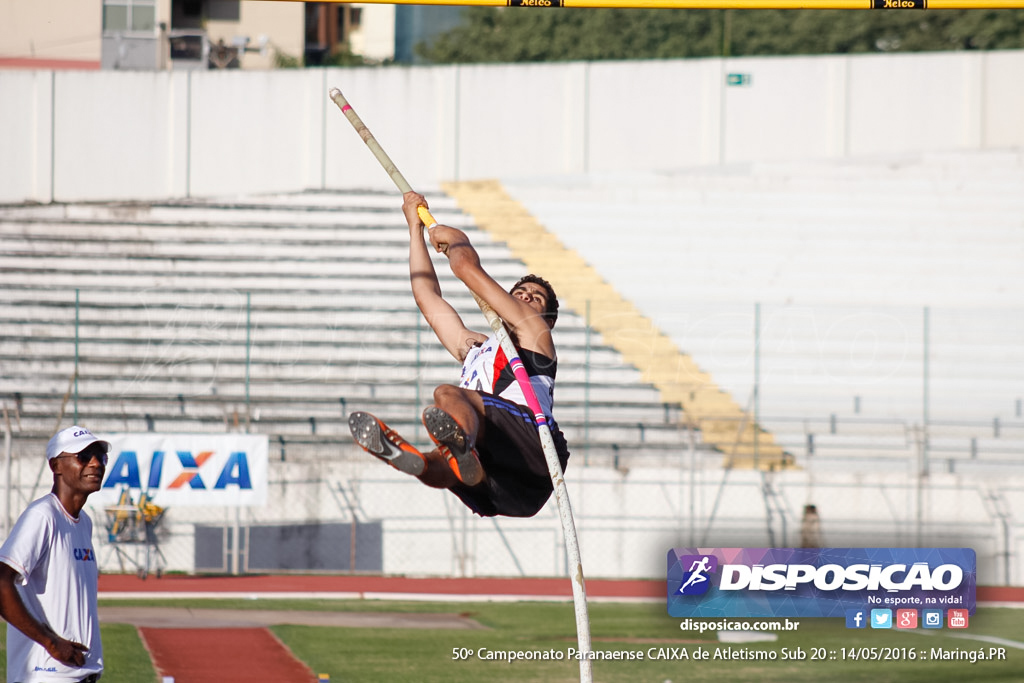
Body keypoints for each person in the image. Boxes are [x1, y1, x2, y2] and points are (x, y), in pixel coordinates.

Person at [348, 191, 571, 518]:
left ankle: (460, 446)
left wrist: (459, 240)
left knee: (447, 394)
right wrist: (415, 230)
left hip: (535, 447)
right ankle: (428, 462)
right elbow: (428, 296)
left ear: (547, 319)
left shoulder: (536, 334)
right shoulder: (476, 349)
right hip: (507, 486)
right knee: (440, 467)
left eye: (534, 298)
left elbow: (466, 267)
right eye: (518, 293)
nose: (524, 298)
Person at [0, 425, 108, 683]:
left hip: (78, 673)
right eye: (83, 456)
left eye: (100, 457)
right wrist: (51, 642)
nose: (95, 463)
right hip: (47, 675)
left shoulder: (84, 523)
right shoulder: (43, 516)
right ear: (55, 466)